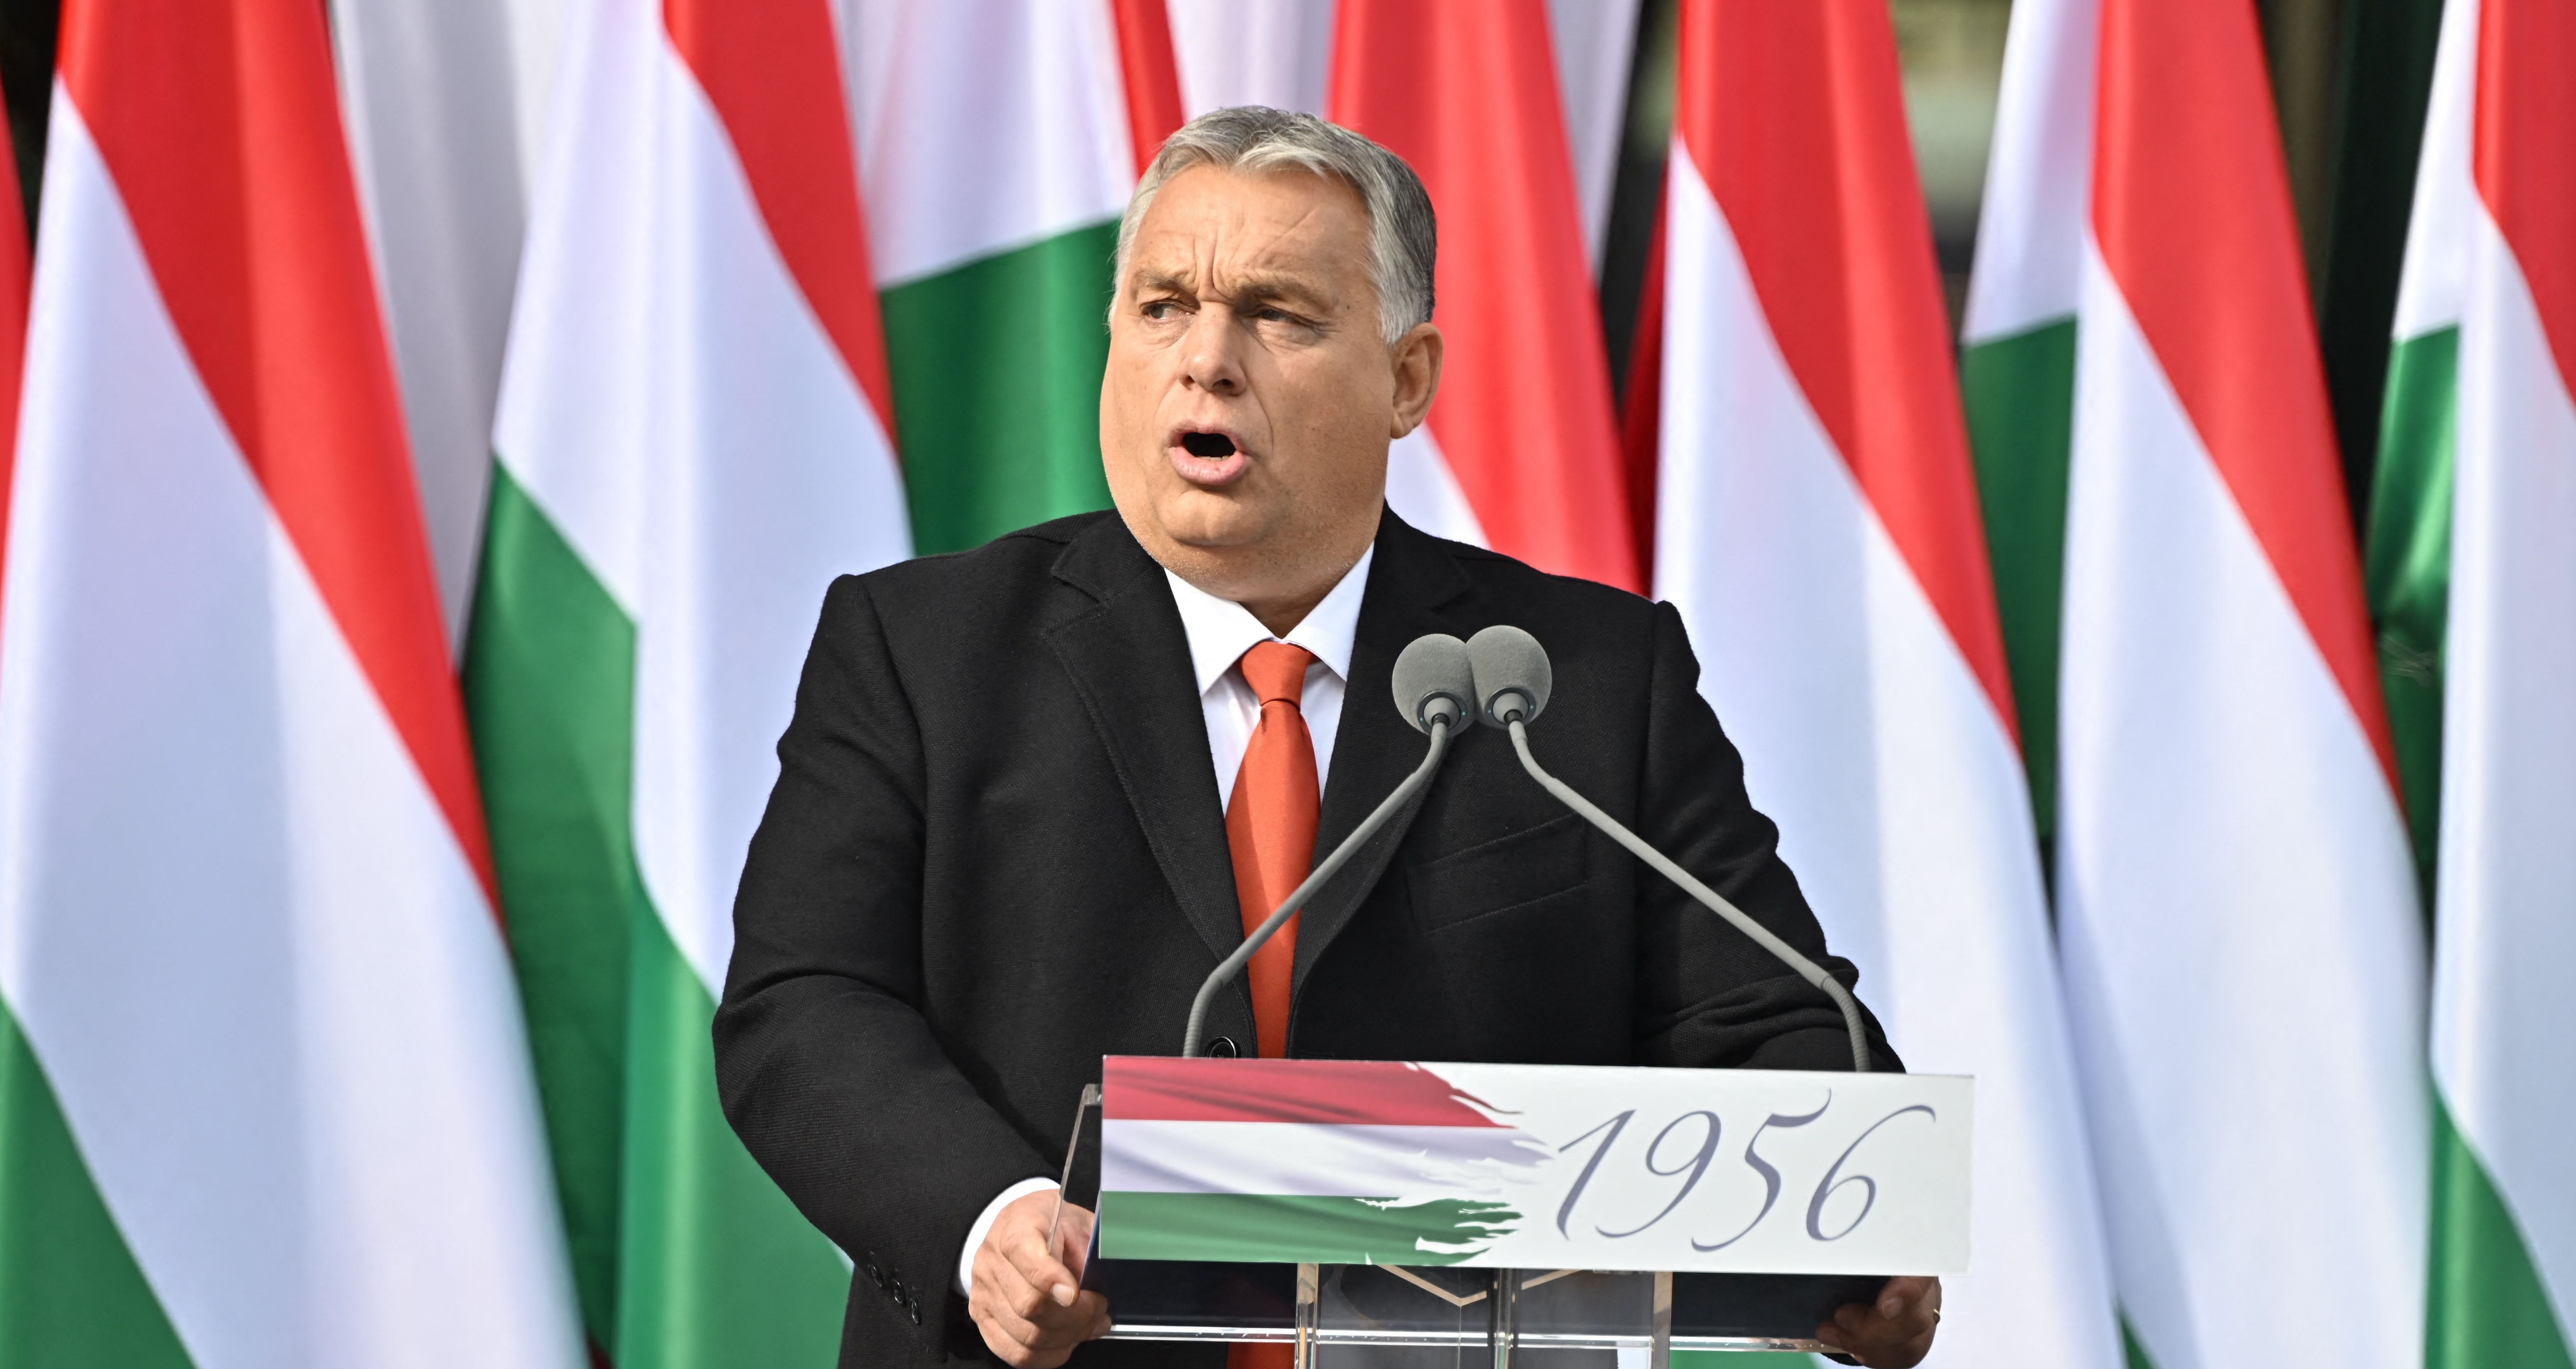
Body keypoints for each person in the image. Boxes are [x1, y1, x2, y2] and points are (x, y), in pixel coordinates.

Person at [714, 107, 1940, 1369]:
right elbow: (803, 1005)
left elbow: (1776, 1021)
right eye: (1161, 306)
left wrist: (1860, 1236)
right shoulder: (925, 649)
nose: (1207, 359)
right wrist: (996, 1221)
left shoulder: (1577, 683)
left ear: (1408, 378)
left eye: (1278, 313)